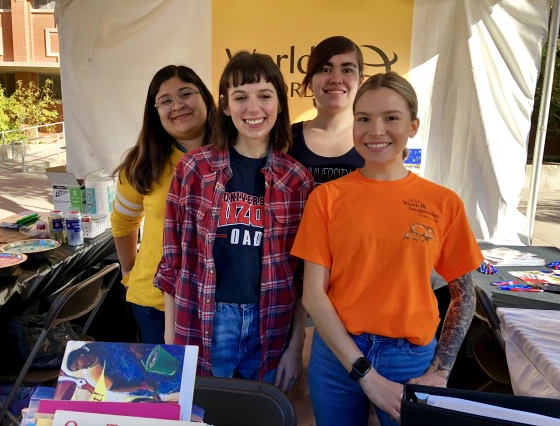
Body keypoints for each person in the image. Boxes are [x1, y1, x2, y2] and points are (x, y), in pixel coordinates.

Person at [291, 72, 483, 426]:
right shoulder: (327, 198)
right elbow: (313, 296)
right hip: (337, 354)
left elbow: (464, 295)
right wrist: (365, 374)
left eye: (390, 118)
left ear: (413, 125)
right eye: (363, 118)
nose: (375, 131)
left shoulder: (443, 203)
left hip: (410, 360)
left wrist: (441, 371)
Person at [154, 51, 314, 391]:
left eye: (264, 96)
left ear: (281, 104)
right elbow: (172, 263)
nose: (252, 108)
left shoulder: (297, 179)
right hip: (204, 319)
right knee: (206, 411)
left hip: (271, 323)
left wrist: (295, 346)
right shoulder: (194, 169)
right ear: (225, 106)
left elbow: (303, 276)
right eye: (240, 97)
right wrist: (172, 338)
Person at [111, 65, 216, 344]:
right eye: (165, 100)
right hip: (155, 303)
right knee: (168, 386)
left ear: (205, 98)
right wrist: (129, 270)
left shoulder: (237, 154)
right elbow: (123, 220)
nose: (177, 105)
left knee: (214, 387)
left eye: (185, 94)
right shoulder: (143, 162)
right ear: (155, 111)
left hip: (220, 303)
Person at [287, 36, 365, 186]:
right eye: (325, 69)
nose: (336, 79)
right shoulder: (286, 140)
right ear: (309, 81)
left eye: (347, 70)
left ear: (360, 81)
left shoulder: (373, 139)